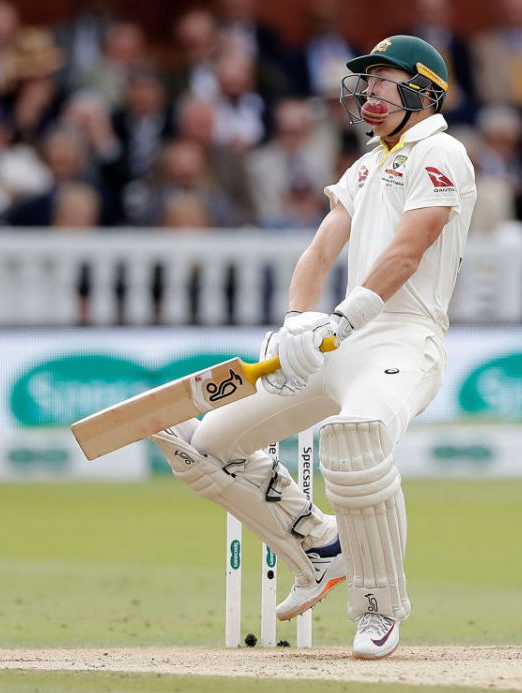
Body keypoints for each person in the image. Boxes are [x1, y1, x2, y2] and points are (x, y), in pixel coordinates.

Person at [149, 35, 476, 660]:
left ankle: (378, 608)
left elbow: (409, 250)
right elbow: (321, 250)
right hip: (340, 342)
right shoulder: (366, 164)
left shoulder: (442, 153)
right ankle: (320, 549)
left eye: (384, 80)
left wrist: (344, 318)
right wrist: (298, 321)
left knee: (354, 434)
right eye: (368, 81)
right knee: (204, 447)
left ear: (423, 90)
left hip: (404, 339)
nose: (370, 92)